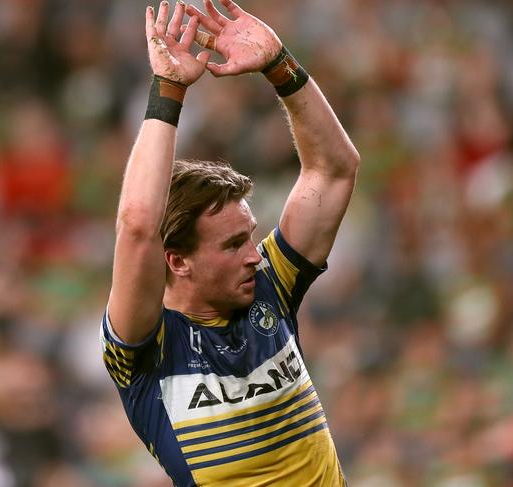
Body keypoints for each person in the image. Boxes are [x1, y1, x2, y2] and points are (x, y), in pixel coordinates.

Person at [100, 0, 359, 485]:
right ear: (176, 261)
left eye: (250, 238)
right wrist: (169, 90)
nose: (252, 255)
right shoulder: (146, 349)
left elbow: (334, 170)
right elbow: (137, 226)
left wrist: (280, 66)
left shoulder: (269, 287)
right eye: (232, 244)